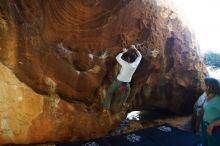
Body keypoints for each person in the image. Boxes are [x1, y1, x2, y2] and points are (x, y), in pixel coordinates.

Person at [102, 44, 142, 114]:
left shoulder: (125, 64)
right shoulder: (136, 64)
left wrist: (124, 52)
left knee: (109, 92)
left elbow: (117, 57)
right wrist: (135, 48)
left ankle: (106, 108)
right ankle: (123, 103)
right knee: (126, 91)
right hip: (125, 84)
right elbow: (140, 56)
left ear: (129, 59)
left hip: (118, 82)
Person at [201, 77, 220, 146]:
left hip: (215, 129)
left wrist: (212, 124)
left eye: (203, 83)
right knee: (205, 142)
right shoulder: (208, 96)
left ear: (208, 86)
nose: (201, 84)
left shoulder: (218, 100)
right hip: (205, 125)